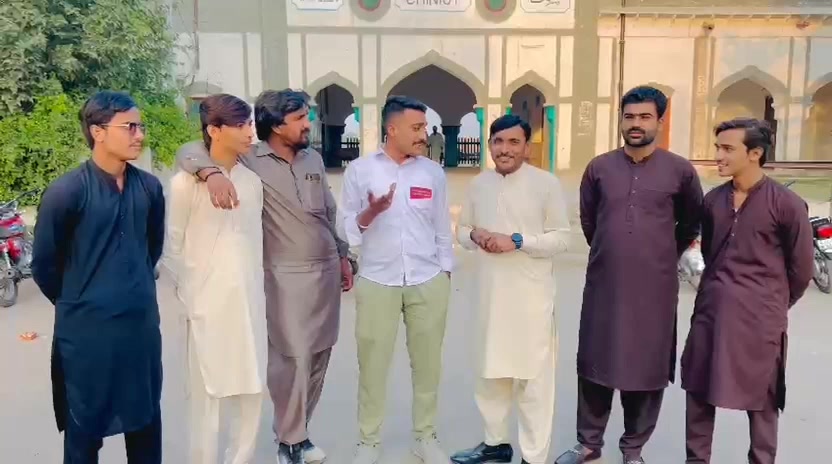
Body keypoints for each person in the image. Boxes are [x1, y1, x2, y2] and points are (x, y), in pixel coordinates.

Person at [175, 89, 352, 464]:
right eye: (300, 118)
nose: (309, 123)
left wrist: (343, 254)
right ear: (276, 125)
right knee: (293, 359)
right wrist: (210, 172)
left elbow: (329, 210)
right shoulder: (251, 159)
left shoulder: (312, 159)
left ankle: (299, 435)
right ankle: (289, 439)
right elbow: (190, 150)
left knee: (319, 357)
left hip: (325, 271)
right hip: (284, 277)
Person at [554, 85, 704, 464]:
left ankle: (633, 449)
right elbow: (590, 221)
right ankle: (589, 443)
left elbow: (691, 223)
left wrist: (658, 255)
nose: (636, 124)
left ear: (660, 121)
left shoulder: (680, 171)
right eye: (629, 116)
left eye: (644, 117)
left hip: (655, 289)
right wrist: (613, 250)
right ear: (621, 120)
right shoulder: (599, 168)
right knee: (595, 362)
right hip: (605, 284)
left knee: (646, 368)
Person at [31, 90, 166, 464]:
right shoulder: (67, 191)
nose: (139, 135)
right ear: (98, 131)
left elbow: (151, 248)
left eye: (140, 126)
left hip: (139, 330)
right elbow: (44, 265)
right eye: (130, 127)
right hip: (87, 337)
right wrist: (83, 300)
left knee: (145, 421)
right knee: (84, 430)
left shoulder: (149, 188)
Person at [680, 118, 815, 464]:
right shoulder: (713, 201)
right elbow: (712, 253)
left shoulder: (787, 204)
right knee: (699, 389)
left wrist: (771, 303)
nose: (718, 156)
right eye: (718, 148)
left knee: (763, 399)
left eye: (728, 149)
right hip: (711, 313)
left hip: (760, 320)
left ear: (755, 153)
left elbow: (801, 269)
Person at [450, 115, 571, 464]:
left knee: (533, 382)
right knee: (490, 375)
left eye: (514, 142)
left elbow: (561, 238)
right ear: (489, 145)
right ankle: (495, 444)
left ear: (527, 147)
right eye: (498, 142)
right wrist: (475, 235)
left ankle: (533, 457)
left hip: (531, 300)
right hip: (489, 298)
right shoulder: (479, 184)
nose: (505, 149)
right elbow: (463, 230)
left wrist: (517, 240)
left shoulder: (546, 184)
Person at [340, 95, 454, 464]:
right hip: (378, 279)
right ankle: (368, 441)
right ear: (392, 129)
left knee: (428, 366)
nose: (423, 134)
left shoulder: (432, 173)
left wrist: (445, 272)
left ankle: (425, 437)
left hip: (427, 279)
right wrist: (371, 212)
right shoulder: (360, 171)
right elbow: (347, 229)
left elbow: (441, 227)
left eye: (424, 127)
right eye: (416, 128)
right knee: (372, 365)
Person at [165, 94, 266, 464]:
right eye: (240, 125)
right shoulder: (184, 184)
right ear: (214, 130)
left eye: (249, 123)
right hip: (207, 306)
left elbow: (254, 242)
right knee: (207, 397)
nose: (249, 132)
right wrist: (194, 298)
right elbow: (172, 247)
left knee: (252, 389)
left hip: (249, 303)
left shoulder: (252, 181)